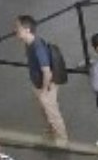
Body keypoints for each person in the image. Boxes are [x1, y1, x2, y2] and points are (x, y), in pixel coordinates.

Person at [15, 15, 67, 143]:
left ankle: (62, 139)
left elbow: (47, 72)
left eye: (18, 27)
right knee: (45, 111)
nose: (15, 30)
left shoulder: (38, 47)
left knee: (52, 114)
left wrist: (44, 90)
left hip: (46, 86)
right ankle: (51, 132)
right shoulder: (29, 44)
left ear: (27, 29)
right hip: (39, 84)